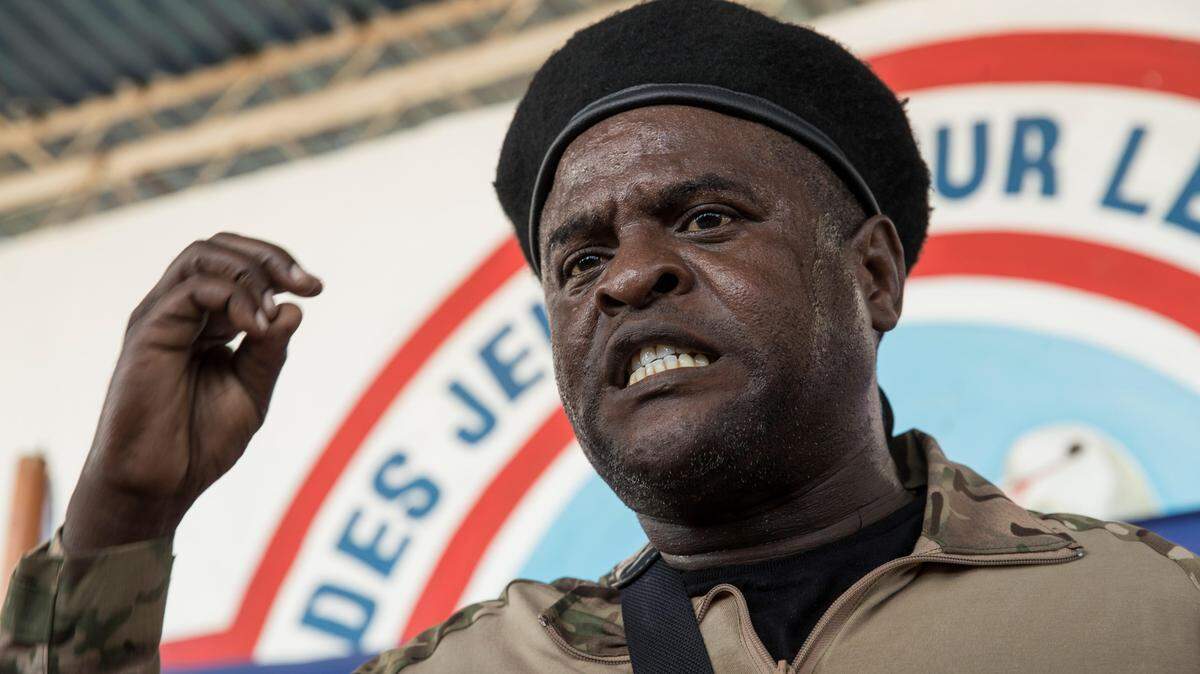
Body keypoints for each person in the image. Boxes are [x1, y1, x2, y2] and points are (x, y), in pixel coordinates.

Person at [3, 1, 1198, 672]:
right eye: (577, 258)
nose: (630, 274)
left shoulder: (1146, 620)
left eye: (708, 217)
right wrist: (124, 518)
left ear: (874, 270)